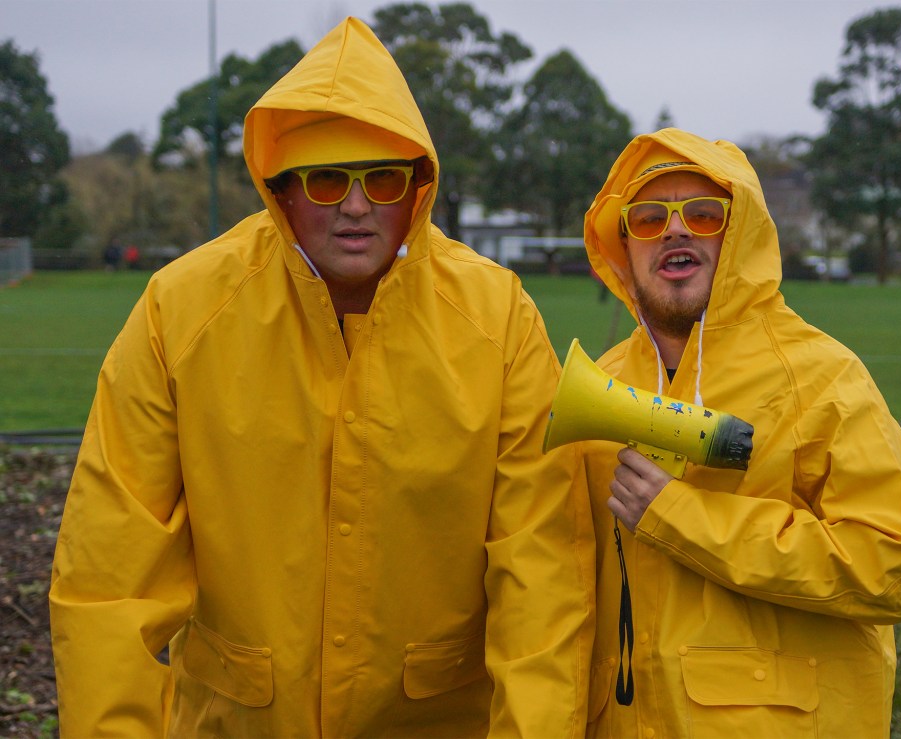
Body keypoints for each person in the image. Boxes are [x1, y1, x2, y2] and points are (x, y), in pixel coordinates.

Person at [49, 17, 595, 738]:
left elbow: (541, 574)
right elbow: (108, 579)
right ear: (280, 190)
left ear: (419, 187)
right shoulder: (178, 313)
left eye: (383, 179)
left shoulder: (499, 321)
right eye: (327, 178)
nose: (357, 206)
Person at [578, 128, 901, 737]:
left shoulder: (825, 377)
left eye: (704, 215)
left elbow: (887, 569)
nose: (676, 231)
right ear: (623, 244)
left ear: (739, 235)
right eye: (650, 218)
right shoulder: (600, 383)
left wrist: (679, 515)